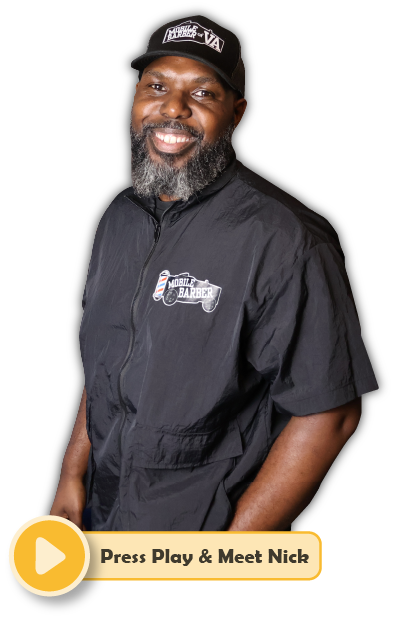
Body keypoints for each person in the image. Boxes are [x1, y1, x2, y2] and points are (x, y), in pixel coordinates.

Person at [50, 16, 378, 531]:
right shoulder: (117, 219)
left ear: (237, 112)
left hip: (203, 535)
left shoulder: (285, 238)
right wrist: (72, 473)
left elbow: (329, 413)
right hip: (104, 522)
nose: (173, 108)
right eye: (157, 86)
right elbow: (108, 359)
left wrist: (226, 555)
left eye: (202, 92)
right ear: (135, 100)